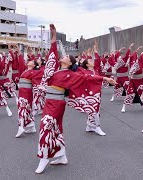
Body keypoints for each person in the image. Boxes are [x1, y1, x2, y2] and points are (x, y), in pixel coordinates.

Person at [35, 24, 115, 174]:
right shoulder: (55, 70)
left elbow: (87, 77)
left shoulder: (71, 75)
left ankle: (44, 157)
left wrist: (104, 78)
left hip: (56, 104)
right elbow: (52, 54)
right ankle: (62, 156)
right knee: (56, 129)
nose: (62, 57)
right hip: (49, 103)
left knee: (45, 127)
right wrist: (53, 37)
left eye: (65, 57)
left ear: (70, 63)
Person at [121, 42, 143, 113]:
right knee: (129, 92)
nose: (137, 56)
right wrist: (135, 49)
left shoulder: (140, 60)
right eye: (136, 55)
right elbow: (131, 56)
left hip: (140, 79)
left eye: (138, 55)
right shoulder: (133, 60)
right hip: (133, 79)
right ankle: (124, 106)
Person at [15, 60, 42, 138]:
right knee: (27, 109)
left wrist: (40, 65)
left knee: (22, 109)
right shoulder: (26, 71)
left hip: (26, 92)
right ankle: (32, 127)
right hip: (22, 92)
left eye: (31, 61)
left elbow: (42, 73)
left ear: (33, 65)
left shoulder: (34, 72)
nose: (29, 61)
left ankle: (21, 127)